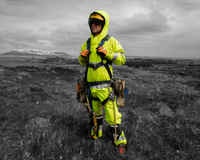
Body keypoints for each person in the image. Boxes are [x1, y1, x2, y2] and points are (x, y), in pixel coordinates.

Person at [78, 10, 127, 155]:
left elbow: (123, 58)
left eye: (97, 22)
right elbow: (82, 62)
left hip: (106, 88)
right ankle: (96, 132)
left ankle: (120, 140)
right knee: (94, 113)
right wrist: (82, 57)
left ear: (104, 24)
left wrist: (108, 54)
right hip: (90, 88)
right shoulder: (86, 43)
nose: (94, 25)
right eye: (92, 22)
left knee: (112, 116)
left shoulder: (111, 41)